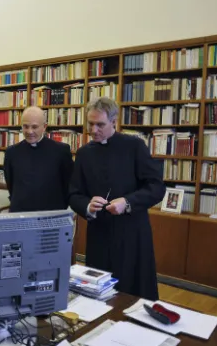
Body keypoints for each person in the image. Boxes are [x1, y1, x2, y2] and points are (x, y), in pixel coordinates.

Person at [68, 97, 165, 300]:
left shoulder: (135, 146)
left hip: (132, 235)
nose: (94, 130)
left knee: (133, 296)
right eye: (90, 124)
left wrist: (127, 202)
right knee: (99, 297)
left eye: (100, 124)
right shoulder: (84, 154)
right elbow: (73, 193)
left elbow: (156, 187)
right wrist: (87, 205)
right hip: (99, 237)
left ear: (114, 122)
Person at [3, 106, 74, 212]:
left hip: (51, 214)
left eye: (34, 127)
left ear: (44, 127)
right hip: (20, 213)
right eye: (25, 126)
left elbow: (68, 184)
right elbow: (11, 184)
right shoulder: (11, 152)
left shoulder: (61, 151)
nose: (29, 131)